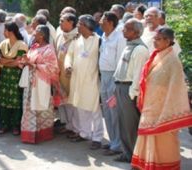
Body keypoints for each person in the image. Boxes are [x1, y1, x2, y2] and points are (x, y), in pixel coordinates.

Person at [131, 28, 192, 169]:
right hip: (151, 107)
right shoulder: (157, 56)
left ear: (168, 41)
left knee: (164, 141)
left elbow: (177, 90)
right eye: (155, 38)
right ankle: (147, 164)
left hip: (164, 110)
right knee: (148, 139)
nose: (155, 41)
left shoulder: (173, 61)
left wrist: (166, 111)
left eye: (158, 39)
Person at [64, 15, 104, 150]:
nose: (78, 26)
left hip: (92, 80)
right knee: (80, 107)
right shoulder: (76, 41)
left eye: (80, 24)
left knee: (94, 110)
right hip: (77, 79)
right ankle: (84, 133)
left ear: (87, 26)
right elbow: (69, 55)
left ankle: (97, 138)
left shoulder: (99, 41)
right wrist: (68, 65)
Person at [112, 19, 149, 163]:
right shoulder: (129, 46)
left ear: (136, 32)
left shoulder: (139, 49)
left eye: (127, 29)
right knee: (123, 123)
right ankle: (127, 153)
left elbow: (138, 75)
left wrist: (132, 95)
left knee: (130, 125)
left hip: (129, 90)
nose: (123, 30)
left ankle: (135, 156)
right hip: (121, 87)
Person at [20, 25, 59, 144]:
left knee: (41, 107)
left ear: (41, 36)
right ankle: (29, 135)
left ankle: (43, 134)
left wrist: (34, 65)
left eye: (36, 33)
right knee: (28, 107)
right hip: (30, 83)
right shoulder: (33, 47)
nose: (33, 35)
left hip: (42, 84)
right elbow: (27, 62)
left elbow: (53, 68)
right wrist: (25, 61)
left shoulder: (49, 49)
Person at [99, 11, 126, 155]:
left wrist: (116, 82)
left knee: (114, 111)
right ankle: (112, 140)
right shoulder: (104, 36)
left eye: (102, 20)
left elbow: (120, 62)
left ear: (110, 23)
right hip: (104, 76)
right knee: (107, 111)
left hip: (114, 78)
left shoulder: (119, 37)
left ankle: (118, 145)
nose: (99, 22)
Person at [0, 22, 28, 135]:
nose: (3, 32)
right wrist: (12, 61)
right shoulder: (2, 44)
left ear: (10, 32)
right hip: (5, 77)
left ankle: (16, 125)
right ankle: (5, 124)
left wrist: (7, 61)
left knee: (16, 101)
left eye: (5, 30)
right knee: (4, 101)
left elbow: (20, 62)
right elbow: (0, 60)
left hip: (16, 77)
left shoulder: (22, 45)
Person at [54, 12, 78, 134]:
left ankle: (75, 127)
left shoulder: (77, 36)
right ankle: (67, 124)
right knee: (62, 101)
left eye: (62, 20)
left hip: (71, 74)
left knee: (71, 101)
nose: (60, 23)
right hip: (59, 73)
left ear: (71, 22)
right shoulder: (60, 35)